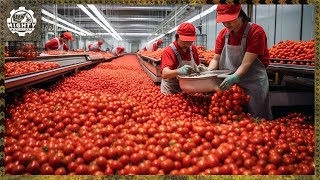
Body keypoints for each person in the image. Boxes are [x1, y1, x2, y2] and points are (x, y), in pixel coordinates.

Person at [207, 4, 272, 119]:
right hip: (231, 84)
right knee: (233, 118)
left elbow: (246, 63)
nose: (226, 24)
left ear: (240, 15)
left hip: (253, 82)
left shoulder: (255, 31)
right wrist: (207, 73)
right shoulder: (223, 34)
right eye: (223, 21)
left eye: (229, 20)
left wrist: (234, 77)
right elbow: (216, 59)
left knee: (258, 118)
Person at [160, 22, 202, 94]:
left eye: (190, 41)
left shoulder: (193, 49)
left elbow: (198, 65)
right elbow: (165, 74)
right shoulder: (169, 51)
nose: (187, 43)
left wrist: (201, 68)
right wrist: (179, 71)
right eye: (184, 40)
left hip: (188, 90)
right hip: (171, 91)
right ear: (177, 37)